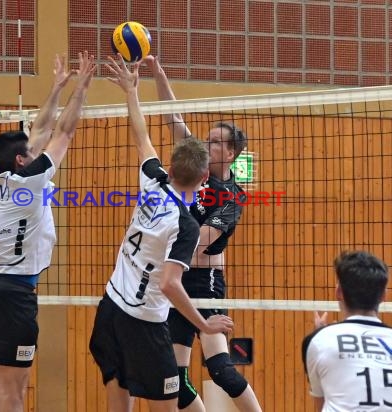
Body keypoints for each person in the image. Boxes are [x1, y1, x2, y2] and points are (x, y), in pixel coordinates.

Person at [89, 54, 234, 412]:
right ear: (203, 180)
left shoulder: (153, 179)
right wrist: (204, 323)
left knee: (118, 401)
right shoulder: (186, 227)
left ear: (170, 165)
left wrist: (131, 91)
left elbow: (141, 134)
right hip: (144, 323)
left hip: (109, 309)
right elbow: (170, 284)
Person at [0, 51, 96, 412]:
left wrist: (57, 87)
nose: (33, 148)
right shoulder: (32, 181)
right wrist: (82, 87)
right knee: (15, 394)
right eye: (28, 152)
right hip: (13, 296)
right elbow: (64, 132)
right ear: (22, 161)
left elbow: (39, 132)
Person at [145, 55, 262, 412]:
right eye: (207, 139)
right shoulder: (196, 168)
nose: (206, 144)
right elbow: (173, 119)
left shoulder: (233, 196)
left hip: (204, 282)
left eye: (214, 142)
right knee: (175, 380)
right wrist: (158, 74)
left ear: (229, 153)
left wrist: (158, 243)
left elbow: (201, 243)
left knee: (222, 371)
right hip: (176, 279)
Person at [302, 251, 392, 412]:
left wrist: (321, 335)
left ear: (339, 292)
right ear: (384, 296)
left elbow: (321, 405)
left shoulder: (320, 340)